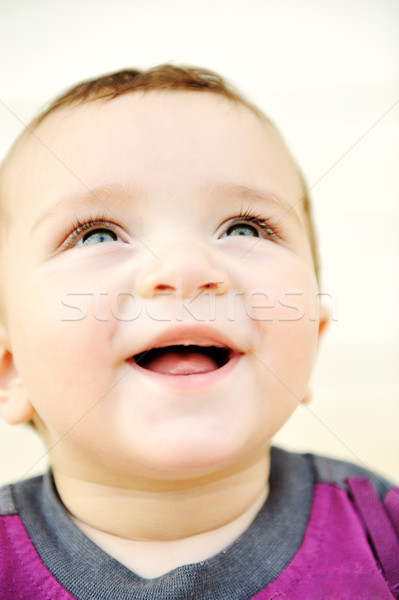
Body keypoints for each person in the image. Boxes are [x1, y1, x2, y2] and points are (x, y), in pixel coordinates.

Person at [0, 65, 398, 599]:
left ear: (314, 341)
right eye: (97, 235)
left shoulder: (381, 531)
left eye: (244, 228)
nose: (185, 267)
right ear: (9, 369)